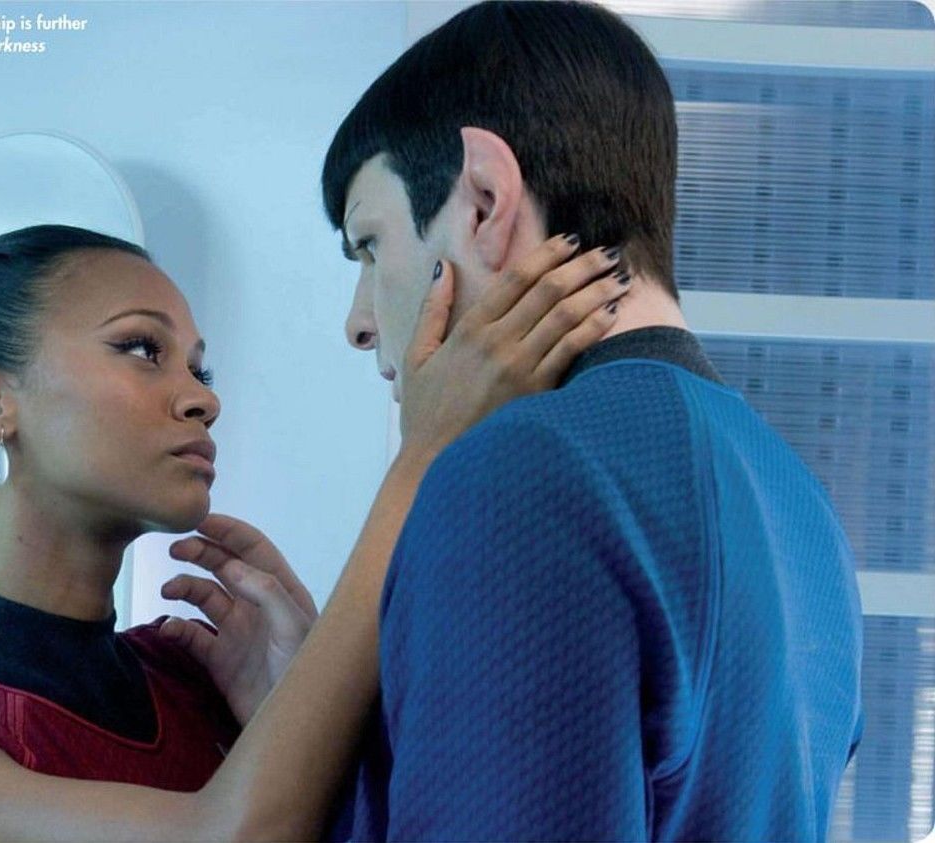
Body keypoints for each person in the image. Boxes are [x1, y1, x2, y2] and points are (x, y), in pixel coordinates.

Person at [0, 223, 631, 841]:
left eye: (199, 367)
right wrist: (425, 455)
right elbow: (231, 835)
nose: (204, 398)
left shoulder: (196, 677)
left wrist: (298, 696)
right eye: (142, 348)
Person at [321, 1, 864, 840]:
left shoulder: (515, 477)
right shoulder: (801, 505)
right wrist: (343, 724)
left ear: (482, 201)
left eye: (369, 244)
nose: (359, 322)